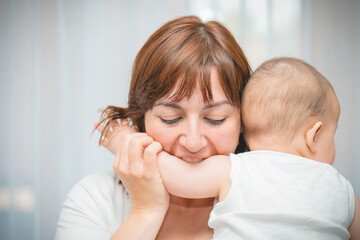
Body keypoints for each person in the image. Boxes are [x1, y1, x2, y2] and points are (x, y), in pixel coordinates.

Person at [55, 15, 251, 239]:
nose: (193, 142)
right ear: (141, 118)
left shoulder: (268, 192)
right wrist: (146, 211)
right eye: (170, 118)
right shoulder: (94, 199)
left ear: (244, 120)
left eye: (215, 119)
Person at [152, 57, 360, 239]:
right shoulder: (344, 191)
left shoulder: (233, 170)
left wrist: (129, 139)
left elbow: (171, 174)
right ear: (313, 135)